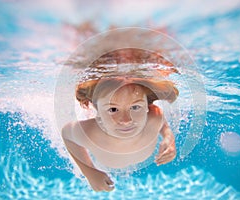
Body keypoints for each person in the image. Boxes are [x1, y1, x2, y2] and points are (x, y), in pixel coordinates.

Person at [61, 48, 179, 192]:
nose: (126, 120)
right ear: (97, 112)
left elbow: (162, 122)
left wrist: (169, 138)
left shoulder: (153, 117)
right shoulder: (90, 133)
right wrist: (89, 172)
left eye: (135, 107)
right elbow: (66, 134)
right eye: (113, 110)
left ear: (147, 106)